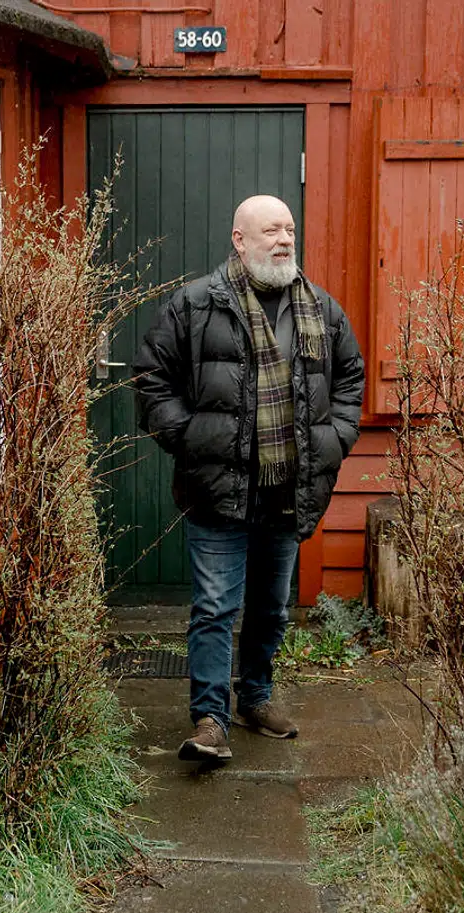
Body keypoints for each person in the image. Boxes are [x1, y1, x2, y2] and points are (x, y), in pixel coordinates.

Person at [132, 194, 364, 763]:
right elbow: (151, 379)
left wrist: (333, 439)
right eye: (270, 231)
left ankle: (254, 698)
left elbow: (349, 380)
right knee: (215, 608)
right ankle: (211, 720)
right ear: (239, 240)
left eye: (289, 230)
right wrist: (192, 438)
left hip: (289, 489)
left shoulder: (321, 309)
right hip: (220, 490)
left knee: (271, 608)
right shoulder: (195, 305)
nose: (284, 240)